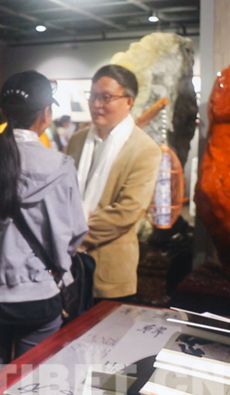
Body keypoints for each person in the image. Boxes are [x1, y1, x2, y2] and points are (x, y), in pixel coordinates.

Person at [0, 71, 87, 372]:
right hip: (41, 295)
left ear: (2, 112)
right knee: (32, 382)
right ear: (45, 115)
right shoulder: (62, 167)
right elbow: (76, 231)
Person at [65, 65, 161, 300]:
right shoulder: (77, 140)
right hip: (66, 268)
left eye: (106, 97)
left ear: (129, 101)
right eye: (93, 96)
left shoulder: (144, 149)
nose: (96, 104)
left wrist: (70, 238)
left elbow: (127, 211)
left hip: (108, 272)